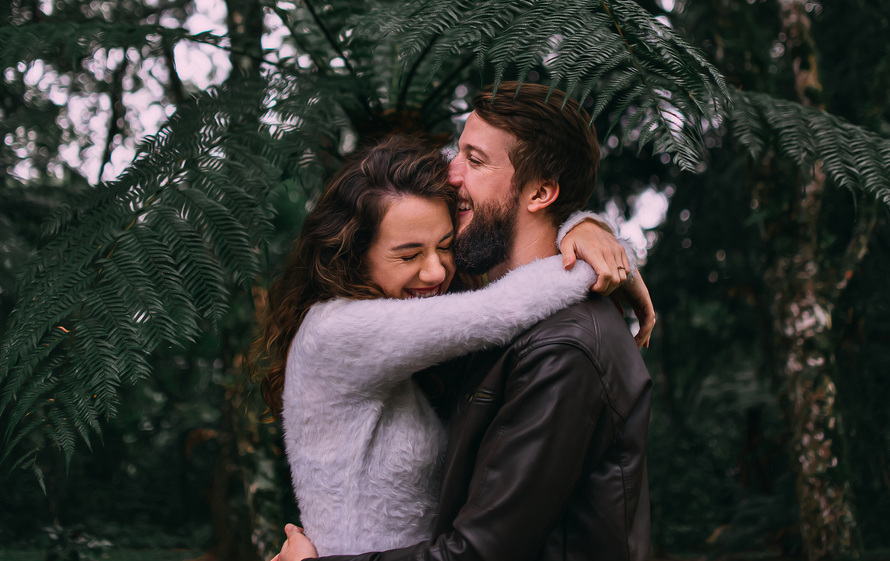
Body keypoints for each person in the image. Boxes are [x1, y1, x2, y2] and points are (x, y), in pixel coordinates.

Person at [276, 82, 654, 561]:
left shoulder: (561, 347)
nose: (451, 174)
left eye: (474, 160)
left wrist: (590, 239)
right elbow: (501, 308)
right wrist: (593, 242)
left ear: (540, 192)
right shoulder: (448, 319)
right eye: (458, 152)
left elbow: (480, 552)